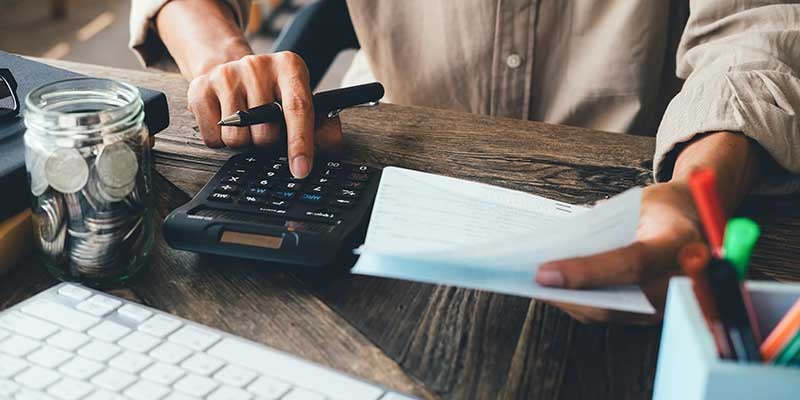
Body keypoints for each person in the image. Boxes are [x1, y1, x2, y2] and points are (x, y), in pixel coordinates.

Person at [130, 0, 800, 323]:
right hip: (385, 190)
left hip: (626, 203)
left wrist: (696, 189)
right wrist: (225, 62)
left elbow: (758, 29)